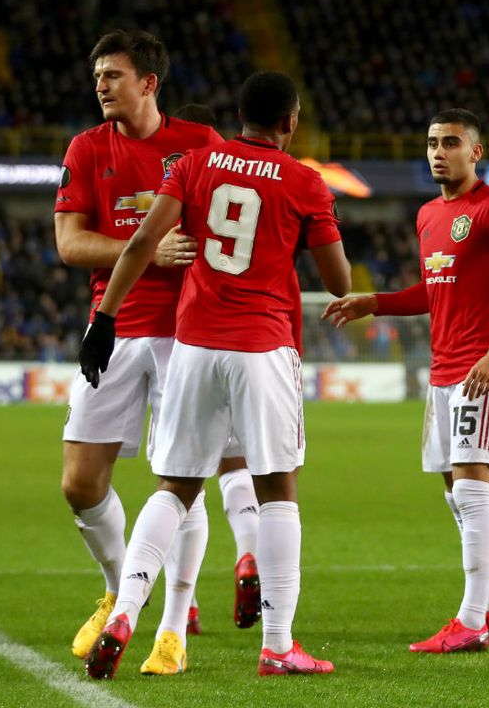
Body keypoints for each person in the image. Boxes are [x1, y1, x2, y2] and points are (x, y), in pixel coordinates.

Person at [78, 70, 350, 678]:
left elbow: (145, 238)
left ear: (237, 116)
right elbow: (339, 283)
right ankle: (278, 646)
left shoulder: (197, 163)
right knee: (277, 489)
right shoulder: (306, 180)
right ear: (290, 122)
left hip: (194, 344)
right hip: (262, 345)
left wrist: (105, 317)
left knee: (174, 488)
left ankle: (125, 610)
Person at [53, 30, 242, 674]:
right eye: (97, 74)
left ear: (148, 83)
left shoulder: (198, 145)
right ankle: (117, 586)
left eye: (112, 74)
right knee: (80, 483)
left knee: (181, 482)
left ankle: (172, 629)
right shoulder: (86, 149)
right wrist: (146, 250)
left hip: (187, 333)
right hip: (112, 326)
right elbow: (70, 244)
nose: (100, 84)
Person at [322, 108, 489, 653]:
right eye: (431, 143)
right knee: (456, 493)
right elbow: (432, 290)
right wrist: (374, 302)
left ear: (476, 152)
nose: (438, 152)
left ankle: (469, 623)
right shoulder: (426, 216)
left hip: (483, 369)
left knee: (471, 485)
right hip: (444, 371)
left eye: (450, 142)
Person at [170, 102, 264, 638]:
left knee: (180, 485)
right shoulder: (245, 181)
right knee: (238, 467)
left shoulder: (186, 187)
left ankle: (184, 606)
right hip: (248, 343)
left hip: (187, 343)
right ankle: (248, 554)